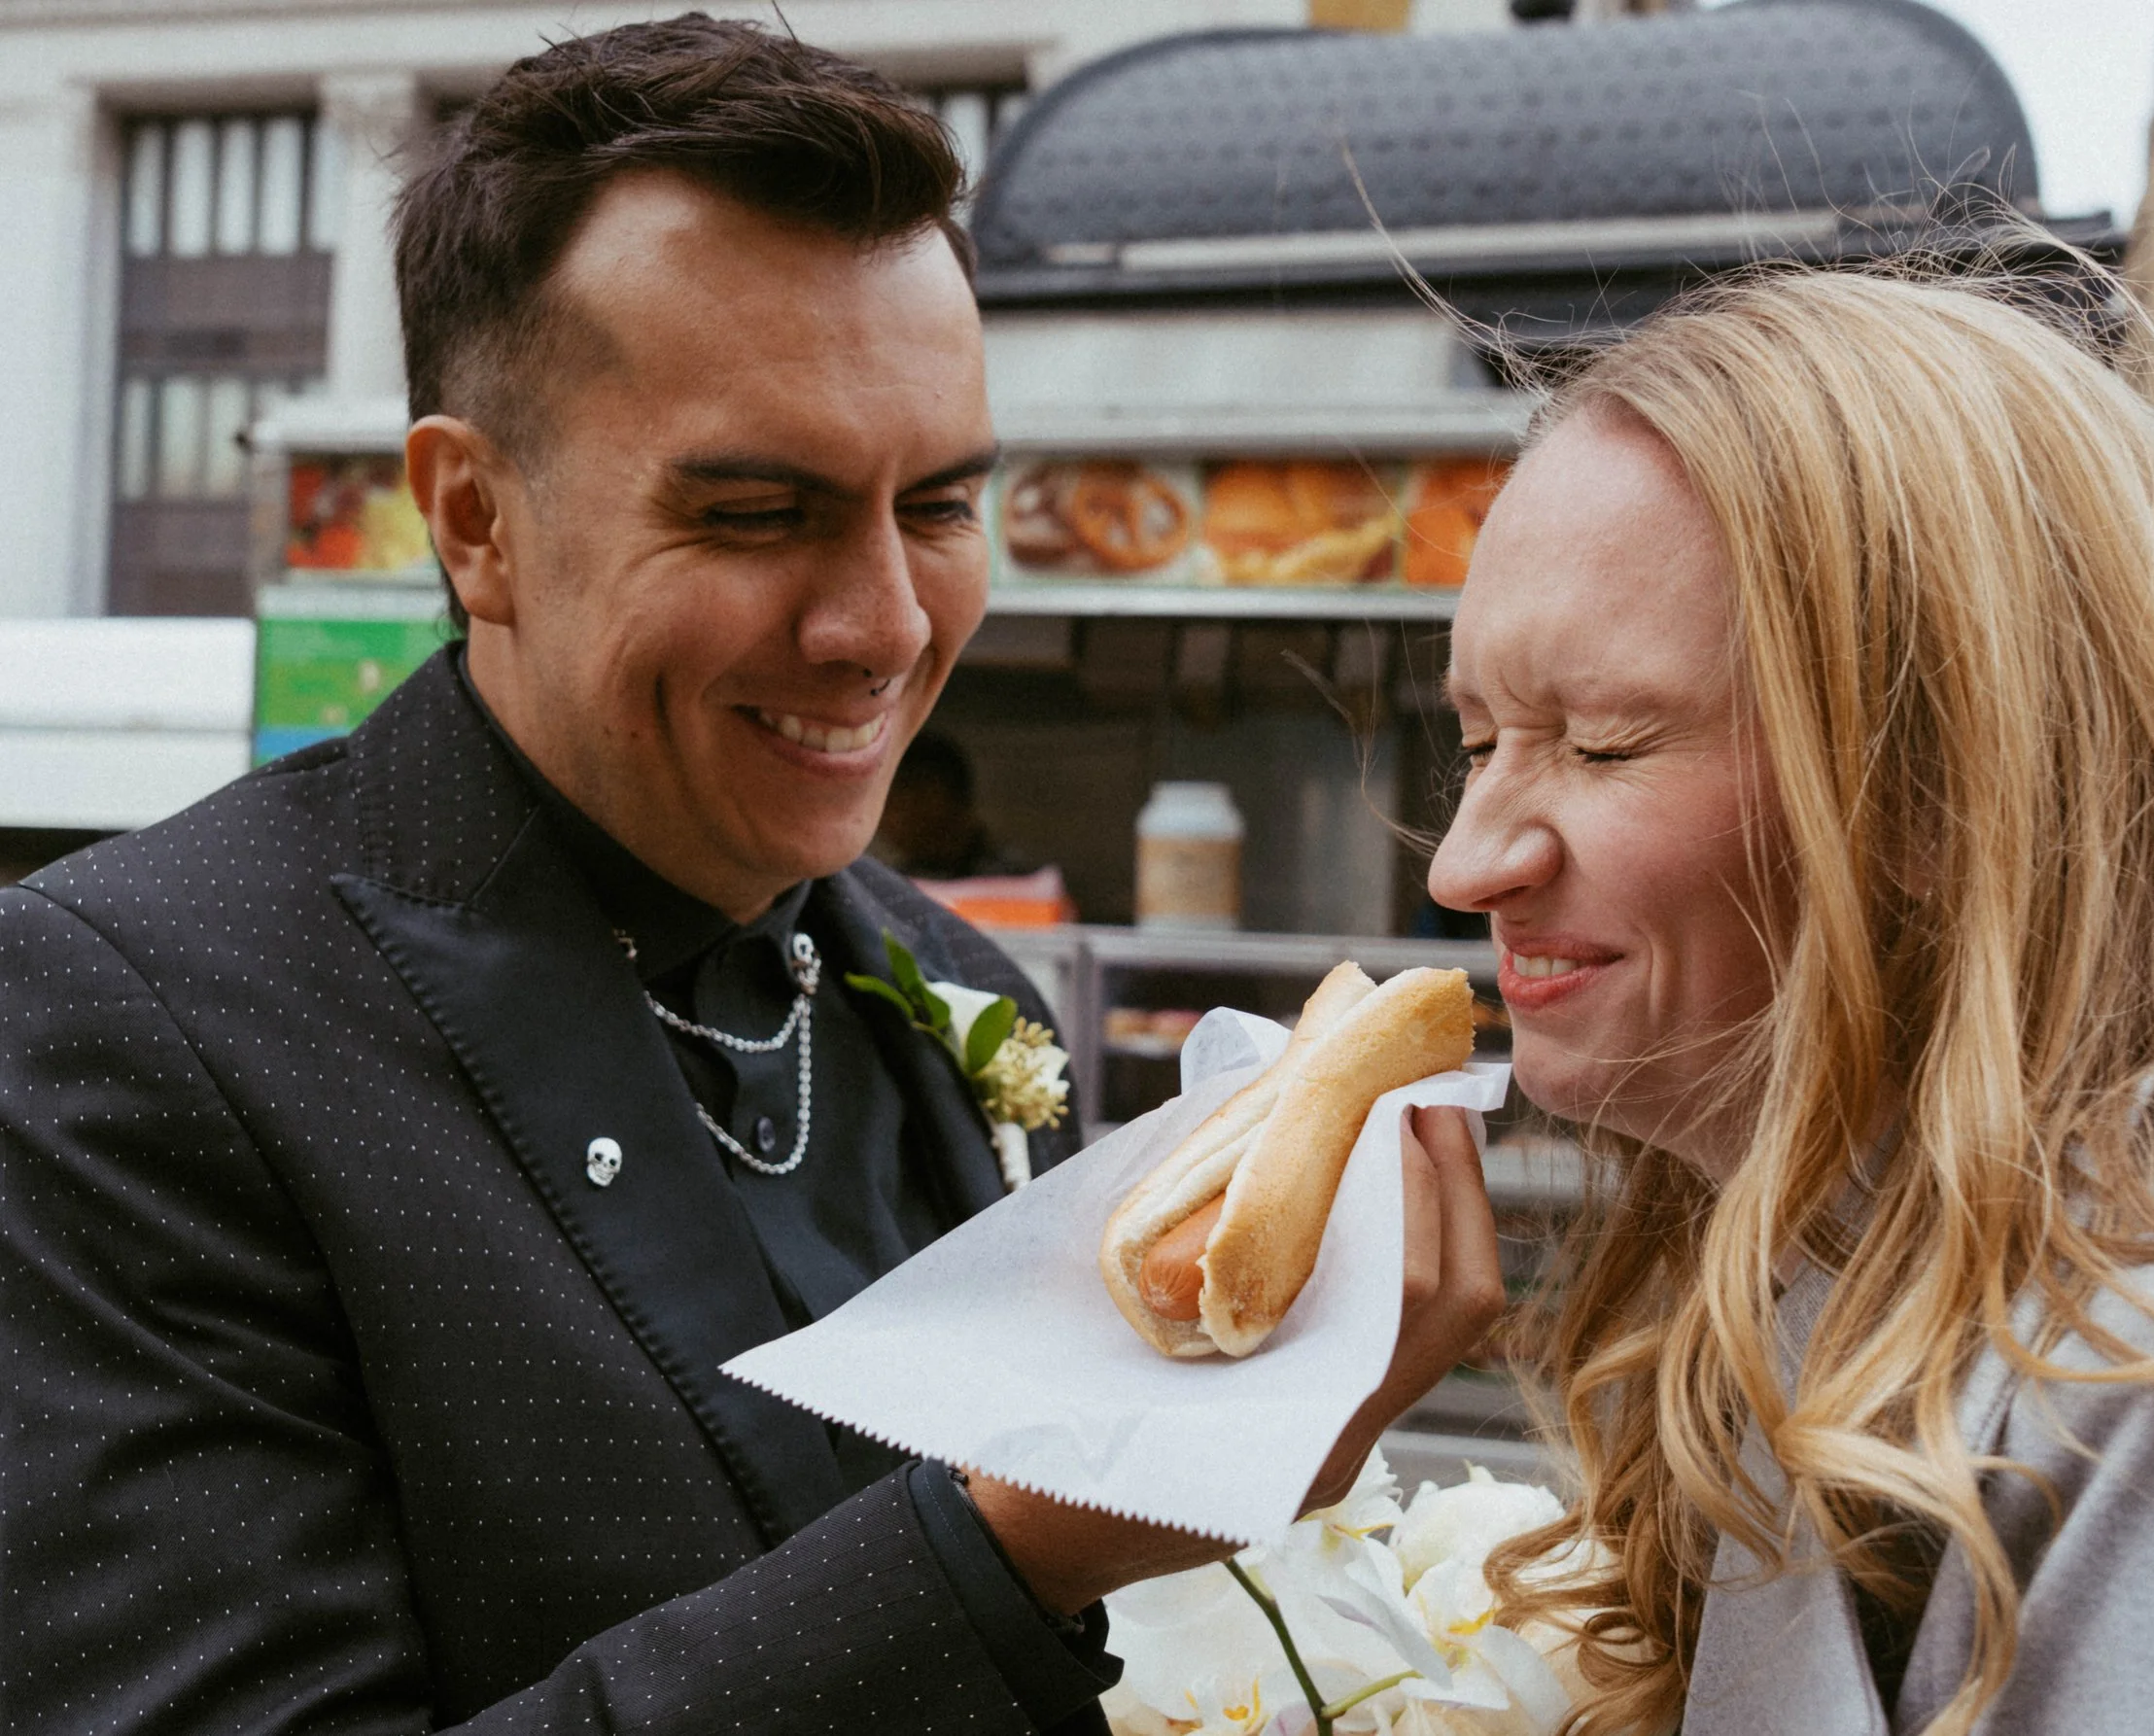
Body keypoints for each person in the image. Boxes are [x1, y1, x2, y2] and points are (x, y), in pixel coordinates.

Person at [0, 19, 1504, 1734]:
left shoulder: (968, 995)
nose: (879, 624)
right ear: (475, 518)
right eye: (754, 514)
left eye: (937, 505)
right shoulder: (120, 1027)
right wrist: (1006, 1557)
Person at [1426, 263, 2154, 1734]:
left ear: (1946, 793)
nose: (1466, 864)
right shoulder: (1844, 1304)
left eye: (1605, 742)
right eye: (1476, 742)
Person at [878, 731, 1034, 881]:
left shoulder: (1011, 885)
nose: (882, 821)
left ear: (933, 796)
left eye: (890, 802)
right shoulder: (895, 884)